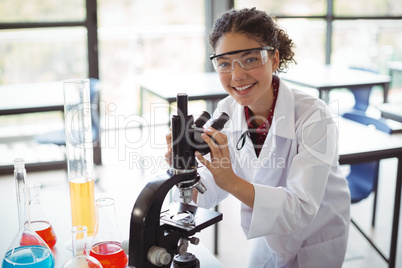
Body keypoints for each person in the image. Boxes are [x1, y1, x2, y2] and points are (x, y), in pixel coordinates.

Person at [165, 7, 350, 268]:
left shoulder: (313, 116)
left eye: (250, 59)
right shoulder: (227, 110)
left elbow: (300, 208)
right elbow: (212, 185)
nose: (237, 75)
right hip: (269, 235)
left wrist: (231, 181)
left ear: (274, 59)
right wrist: (185, 169)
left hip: (316, 238)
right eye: (224, 63)